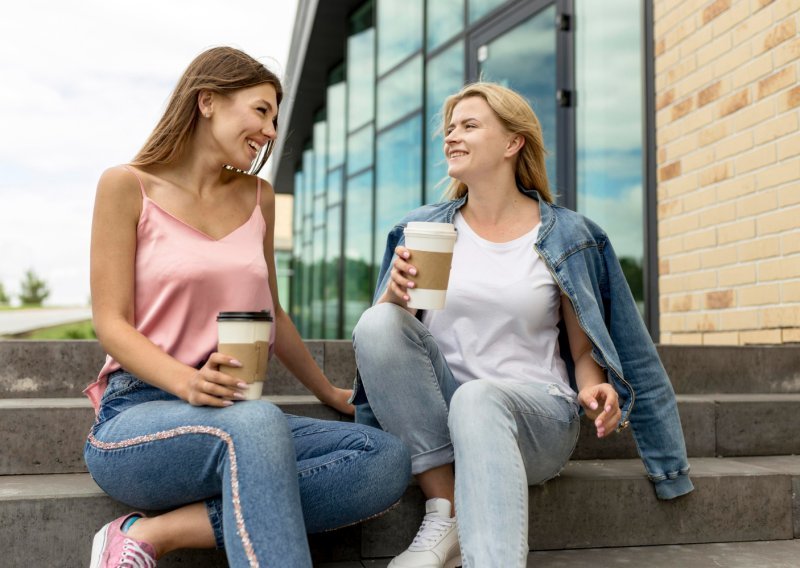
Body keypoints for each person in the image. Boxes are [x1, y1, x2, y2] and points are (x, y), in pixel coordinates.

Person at [83, 46, 410, 568]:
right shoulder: (127, 186)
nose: (272, 130)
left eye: (276, 118)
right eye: (261, 111)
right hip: (139, 414)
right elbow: (111, 322)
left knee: (384, 458)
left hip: (236, 413)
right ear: (207, 100)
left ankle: (151, 534)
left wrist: (327, 391)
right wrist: (186, 381)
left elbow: (272, 314)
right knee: (256, 423)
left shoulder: (259, 197)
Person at [351, 82, 693, 568]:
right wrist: (393, 297)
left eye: (469, 125)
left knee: (480, 396)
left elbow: (585, 351)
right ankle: (444, 508)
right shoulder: (423, 228)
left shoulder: (569, 235)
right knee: (377, 322)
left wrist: (596, 389)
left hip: (537, 418)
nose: (451, 136)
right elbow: (390, 352)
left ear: (513, 143)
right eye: (449, 128)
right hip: (447, 416)